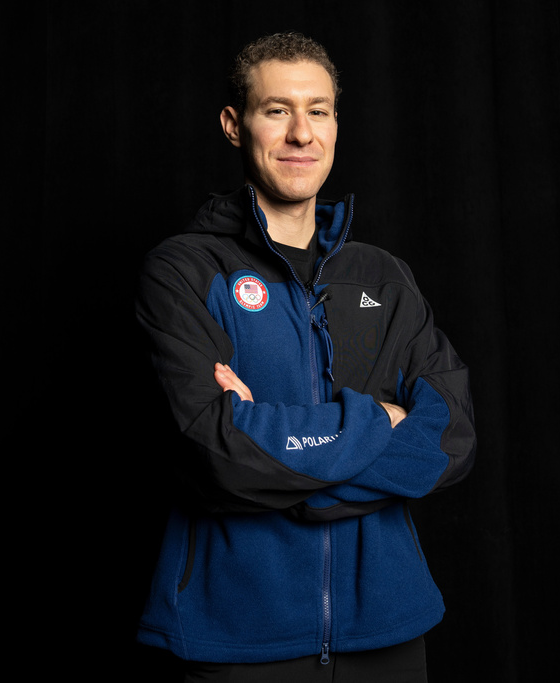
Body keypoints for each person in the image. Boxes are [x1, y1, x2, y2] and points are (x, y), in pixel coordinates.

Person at [135, 32, 476, 682]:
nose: (301, 133)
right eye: (277, 110)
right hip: (233, 637)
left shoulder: (383, 277)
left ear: (336, 124)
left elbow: (451, 437)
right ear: (233, 125)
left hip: (388, 632)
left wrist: (285, 470)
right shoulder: (184, 271)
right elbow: (218, 452)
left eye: (318, 110)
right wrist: (378, 420)